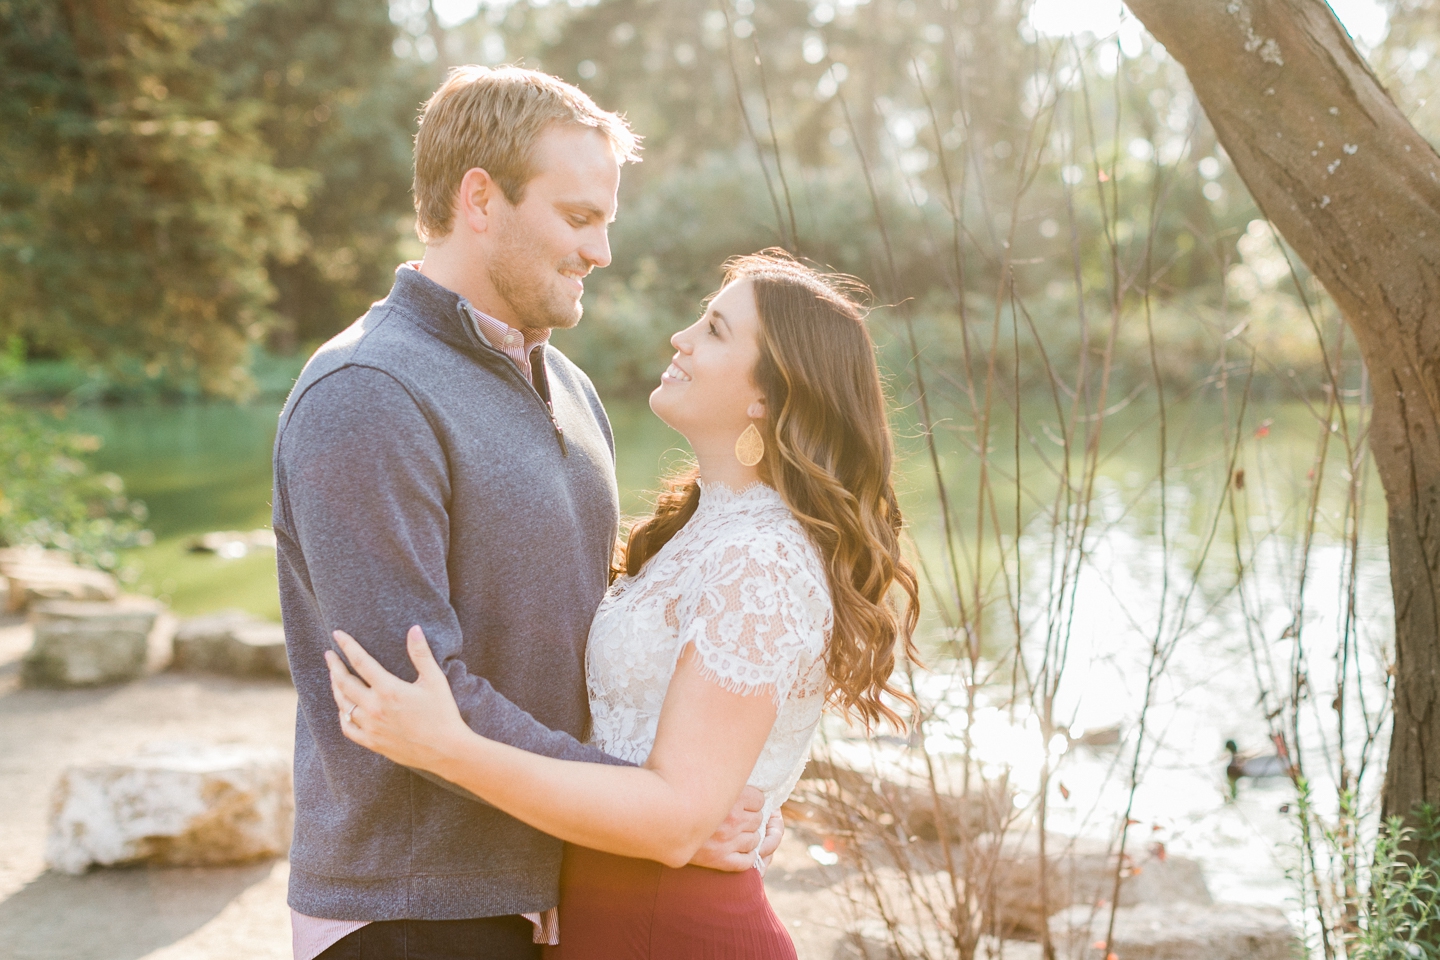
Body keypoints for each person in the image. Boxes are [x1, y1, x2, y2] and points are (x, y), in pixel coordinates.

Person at [273, 66, 780, 960]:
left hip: (552, 893)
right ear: (480, 198)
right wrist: (662, 810)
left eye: (607, 222)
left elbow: (591, 645)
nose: (603, 253)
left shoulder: (572, 390)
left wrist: (699, 787)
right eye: (579, 218)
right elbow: (414, 694)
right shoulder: (369, 393)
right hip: (412, 912)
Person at [326, 251, 922, 959]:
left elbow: (675, 818)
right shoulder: (702, 529)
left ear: (767, 395)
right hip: (607, 913)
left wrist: (451, 749)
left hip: (676, 928)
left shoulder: (762, 559)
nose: (682, 338)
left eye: (716, 330)